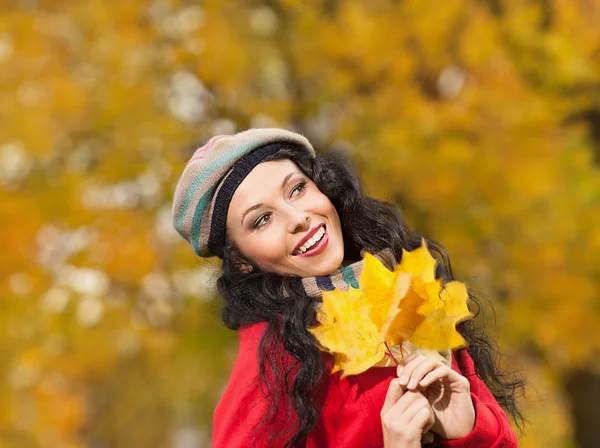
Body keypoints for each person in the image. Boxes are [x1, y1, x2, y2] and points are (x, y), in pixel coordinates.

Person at [172, 128, 524, 447]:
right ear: (241, 260)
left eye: (297, 189)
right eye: (262, 220)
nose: (298, 218)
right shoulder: (272, 366)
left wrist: (469, 428)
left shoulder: (411, 290)